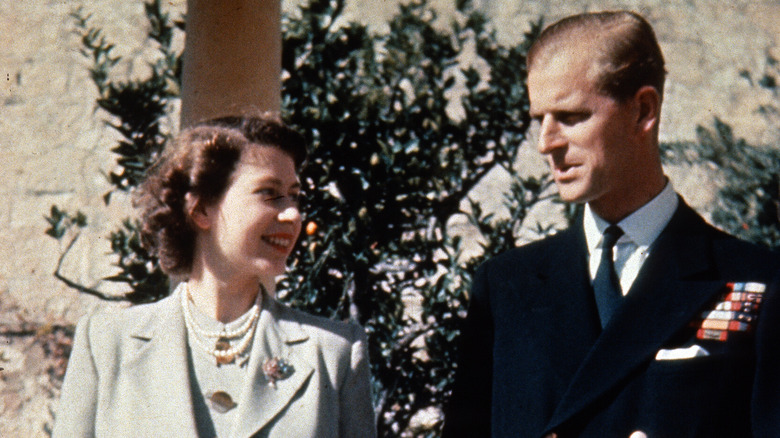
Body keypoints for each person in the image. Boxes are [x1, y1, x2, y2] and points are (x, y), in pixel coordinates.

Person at [443, 11, 780, 438]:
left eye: (570, 116)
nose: (546, 143)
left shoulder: (757, 282)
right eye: (538, 119)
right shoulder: (506, 287)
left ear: (643, 110)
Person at [53, 114, 377, 437]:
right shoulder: (107, 345)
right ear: (201, 209)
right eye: (270, 193)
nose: (293, 214)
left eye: (295, 196)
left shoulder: (335, 353)